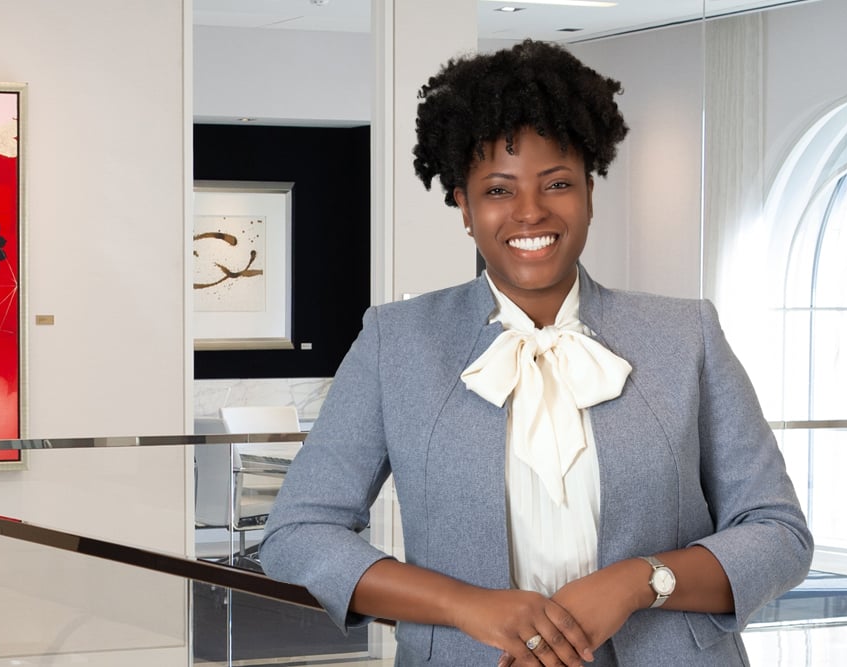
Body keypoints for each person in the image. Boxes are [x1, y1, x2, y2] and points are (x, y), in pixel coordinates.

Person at [260, 40, 812, 667]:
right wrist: (465, 605)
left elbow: (779, 533)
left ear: (589, 194)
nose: (530, 212)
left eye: (558, 184)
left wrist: (638, 582)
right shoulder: (397, 342)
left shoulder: (686, 334)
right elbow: (298, 534)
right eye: (498, 190)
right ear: (464, 207)